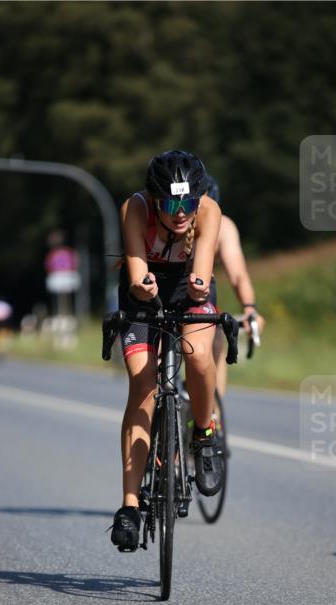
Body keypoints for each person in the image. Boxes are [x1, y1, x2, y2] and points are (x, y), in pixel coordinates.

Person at [110, 150, 223, 551]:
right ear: (155, 199)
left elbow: (203, 271)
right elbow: (136, 269)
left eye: (187, 204)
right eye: (171, 205)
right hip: (143, 290)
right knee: (143, 384)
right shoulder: (135, 208)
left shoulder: (209, 211)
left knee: (198, 355)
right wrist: (142, 287)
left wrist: (198, 287)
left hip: (188, 288)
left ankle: (204, 435)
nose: (180, 213)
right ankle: (129, 506)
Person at [205, 175, 266, 398]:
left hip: (199, 297)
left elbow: (238, 275)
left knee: (215, 340)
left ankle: (213, 410)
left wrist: (250, 309)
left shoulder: (224, 227)